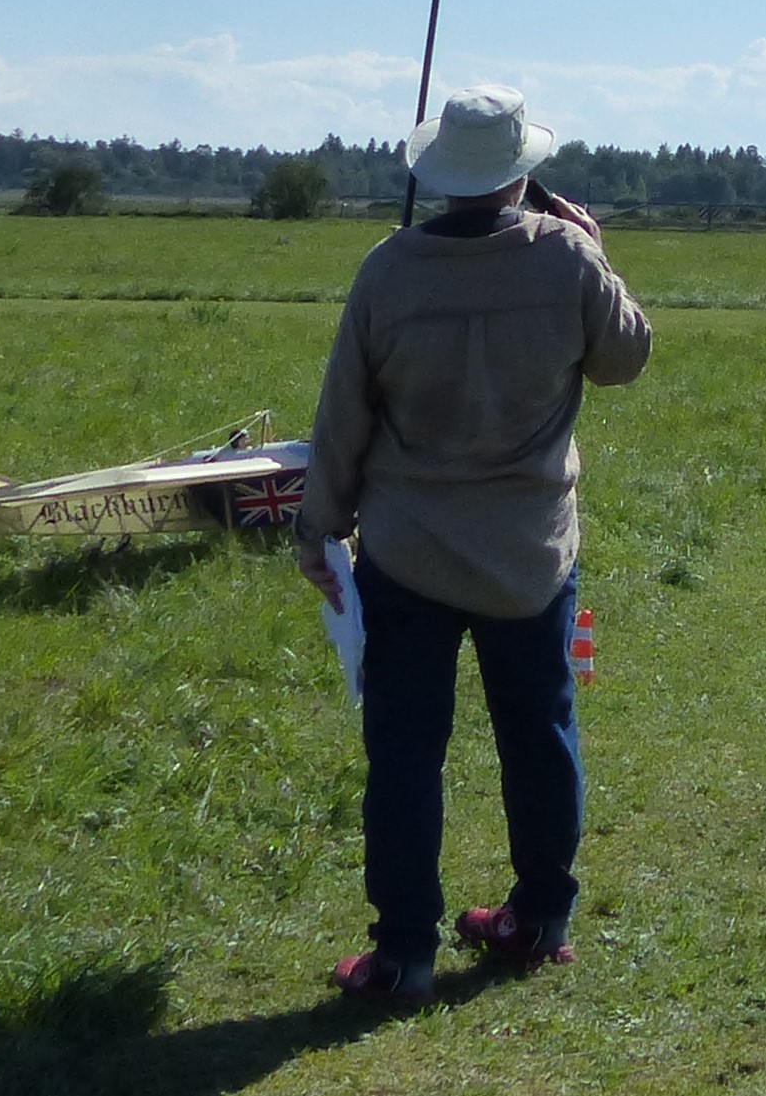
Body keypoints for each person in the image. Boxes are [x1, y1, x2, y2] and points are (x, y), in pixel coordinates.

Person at [297, 85, 653, 1006]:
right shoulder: (568, 255)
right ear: (522, 170)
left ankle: (402, 955)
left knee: (406, 753)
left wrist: (319, 525)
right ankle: (540, 919)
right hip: (531, 554)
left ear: (441, 172)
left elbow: (342, 414)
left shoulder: (387, 269)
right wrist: (598, 252)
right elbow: (625, 358)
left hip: (406, 551)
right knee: (539, 738)